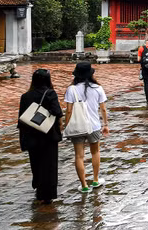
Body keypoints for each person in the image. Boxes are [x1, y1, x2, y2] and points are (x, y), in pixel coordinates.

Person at [18, 69, 63, 203]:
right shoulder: (50, 94)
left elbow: (22, 118)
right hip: (48, 134)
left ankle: (38, 187)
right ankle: (47, 194)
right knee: (49, 164)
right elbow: (57, 112)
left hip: (31, 135)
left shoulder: (25, 96)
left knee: (35, 162)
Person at [64, 63, 109, 193]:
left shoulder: (71, 89)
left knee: (79, 156)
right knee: (95, 152)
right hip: (94, 125)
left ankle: (83, 185)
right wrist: (105, 125)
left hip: (77, 126)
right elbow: (103, 109)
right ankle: (95, 180)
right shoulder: (98, 88)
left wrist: (67, 126)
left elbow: (68, 111)